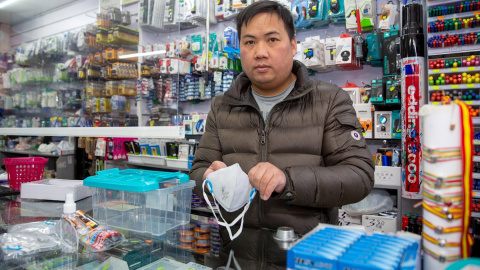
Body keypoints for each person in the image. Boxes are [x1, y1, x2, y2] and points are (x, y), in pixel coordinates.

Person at [189, 1, 374, 269]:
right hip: (237, 258)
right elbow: (197, 172)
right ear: (239, 48)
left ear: (293, 44)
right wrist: (208, 178)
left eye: (272, 39)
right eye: (249, 42)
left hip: (306, 258)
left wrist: (287, 180)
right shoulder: (222, 106)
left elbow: (359, 175)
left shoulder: (328, 100)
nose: (260, 52)